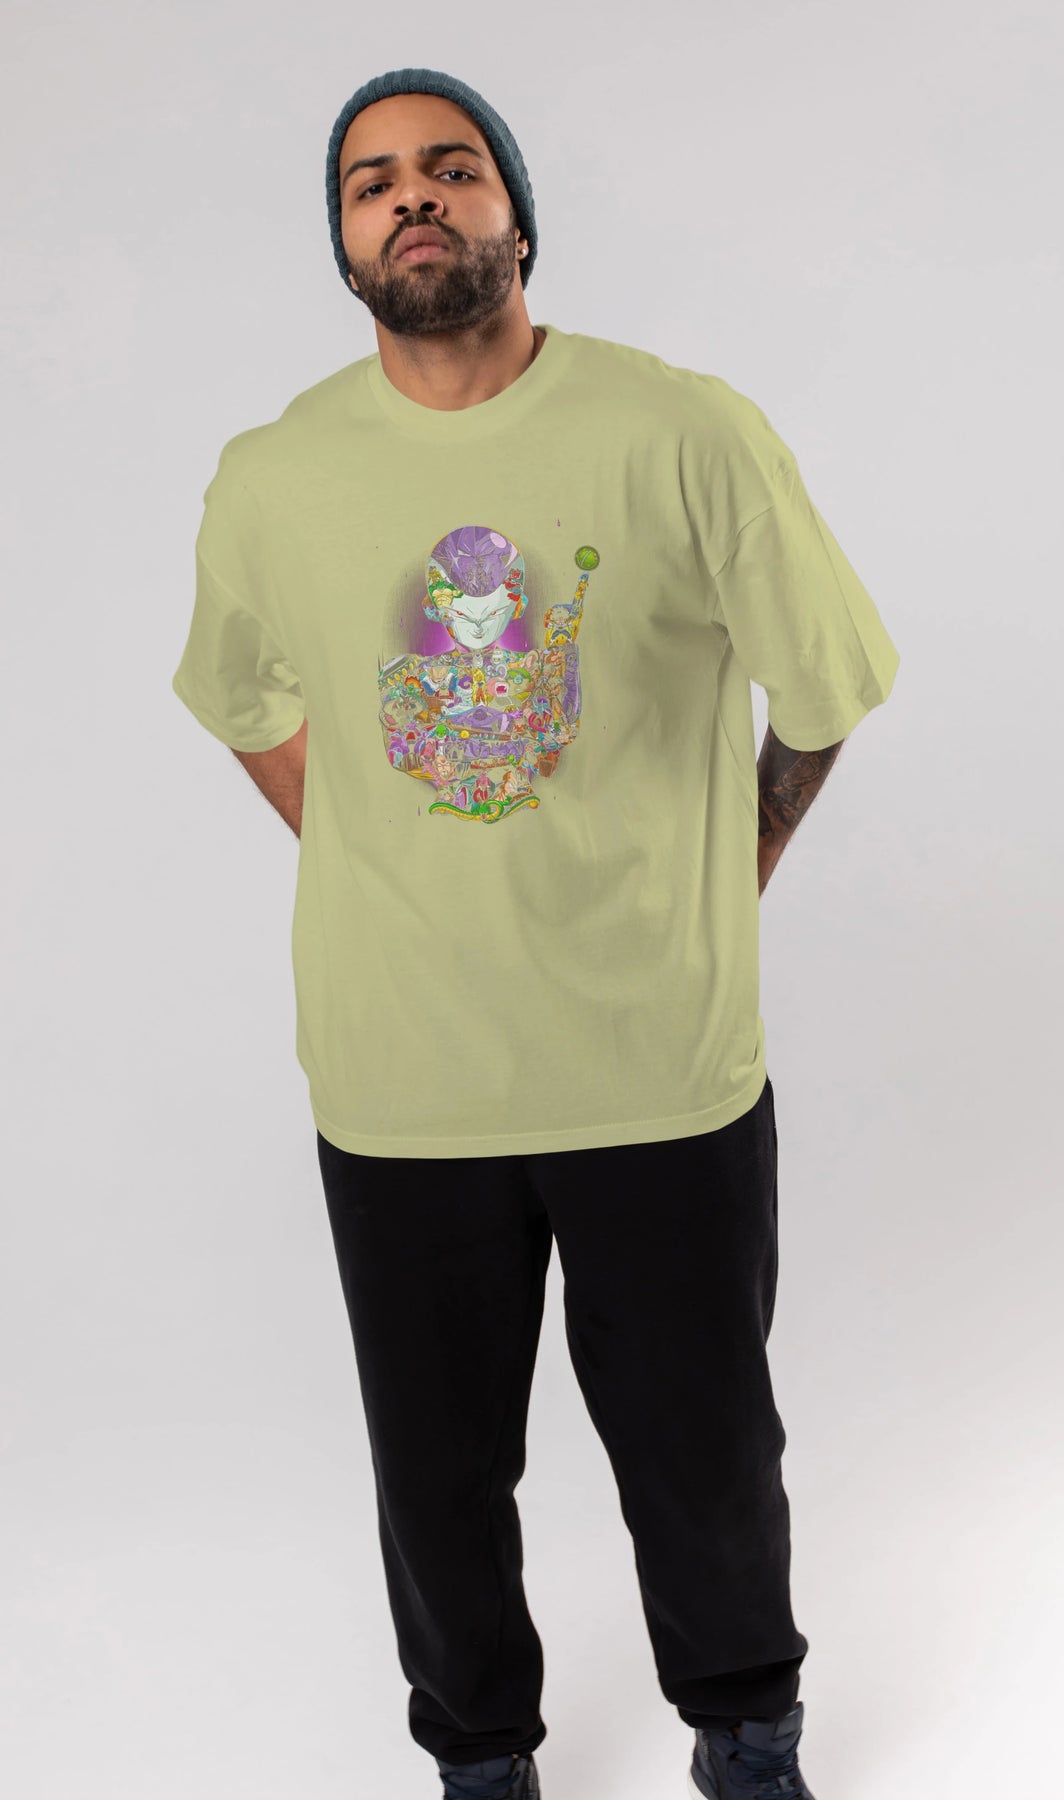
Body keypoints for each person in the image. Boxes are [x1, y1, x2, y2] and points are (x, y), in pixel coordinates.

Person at [170, 65, 900, 1800]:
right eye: (372, 183)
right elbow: (242, 697)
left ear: (517, 214)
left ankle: (747, 1732)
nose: (413, 197)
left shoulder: (683, 433)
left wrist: (739, 860)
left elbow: (824, 686)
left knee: (705, 1448)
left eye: (452, 167)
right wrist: (371, 846)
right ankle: (481, 1759)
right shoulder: (273, 475)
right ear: (344, 242)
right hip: (402, 1079)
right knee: (435, 1475)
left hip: (658, 1061)